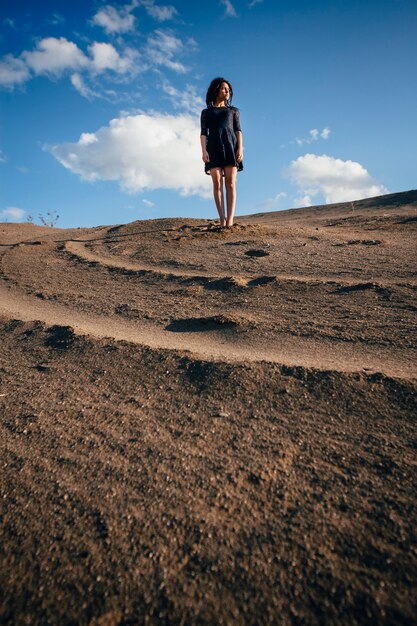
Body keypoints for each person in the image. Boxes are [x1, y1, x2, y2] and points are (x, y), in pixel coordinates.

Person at [200, 77, 243, 228]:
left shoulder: (233, 111)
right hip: (213, 147)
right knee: (217, 182)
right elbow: (203, 133)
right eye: (224, 89)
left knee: (230, 183)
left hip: (231, 146)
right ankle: (222, 219)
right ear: (216, 90)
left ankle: (230, 220)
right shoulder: (206, 112)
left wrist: (240, 148)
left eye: (228, 90)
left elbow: (238, 130)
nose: (227, 92)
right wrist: (204, 151)